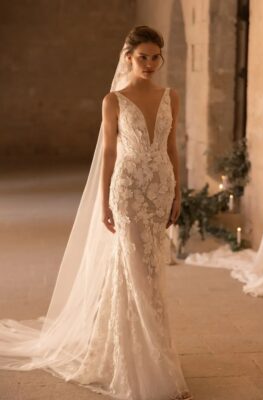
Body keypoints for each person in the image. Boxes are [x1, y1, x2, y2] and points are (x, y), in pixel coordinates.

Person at [0, 25, 193, 400]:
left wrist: (178, 193)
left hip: (160, 190)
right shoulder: (114, 100)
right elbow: (108, 153)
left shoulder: (172, 96)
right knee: (137, 272)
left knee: (152, 275)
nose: (150, 63)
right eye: (143, 57)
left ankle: (152, 355)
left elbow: (172, 147)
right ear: (128, 57)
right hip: (128, 191)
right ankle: (145, 368)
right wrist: (104, 200)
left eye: (156, 56)